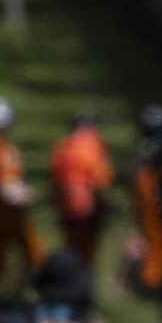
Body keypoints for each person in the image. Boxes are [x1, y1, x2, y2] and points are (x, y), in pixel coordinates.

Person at [0, 97, 44, 288]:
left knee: (0, 249)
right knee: (32, 249)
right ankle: (35, 284)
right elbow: (7, 187)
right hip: (8, 211)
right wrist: (24, 194)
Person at [49, 111, 114, 269]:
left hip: (67, 205)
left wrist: (58, 203)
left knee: (71, 248)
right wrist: (104, 205)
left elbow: (54, 179)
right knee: (87, 252)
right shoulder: (95, 148)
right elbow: (100, 183)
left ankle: (69, 283)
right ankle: (83, 286)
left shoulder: (62, 146)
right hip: (88, 207)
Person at [130, 105, 162, 298]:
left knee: (150, 242)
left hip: (144, 200)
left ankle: (148, 281)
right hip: (155, 201)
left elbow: (134, 176)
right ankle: (151, 284)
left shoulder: (143, 147)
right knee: (158, 245)